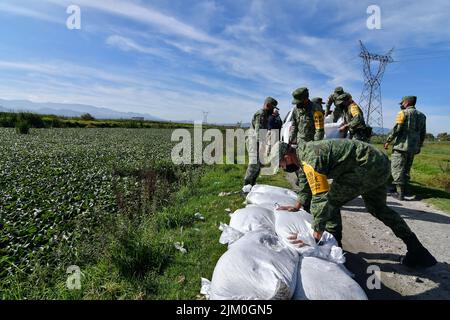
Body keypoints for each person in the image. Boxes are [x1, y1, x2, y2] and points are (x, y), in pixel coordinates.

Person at [270, 139, 437, 268]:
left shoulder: (310, 158)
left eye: (282, 164)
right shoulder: (303, 154)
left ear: (287, 157)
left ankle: (334, 247)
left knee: (331, 200)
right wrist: (298, 205)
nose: (283, 168)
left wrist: (317, 233)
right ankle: (418, 251)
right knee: (378, 208)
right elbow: (307, 182)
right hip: (379, 164)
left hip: (366, 167)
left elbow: (321, 197)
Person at [288, 88, 325, 211]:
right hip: (300, 146)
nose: (297, 103)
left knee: (312, 173)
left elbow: (319, 130)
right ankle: (304, 201)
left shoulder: (316, 109)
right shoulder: (296, 110)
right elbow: (294, 125)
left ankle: (313, 200)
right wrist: (291, 141)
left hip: (312, 146)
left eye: (299, 101)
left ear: (306, 98)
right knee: (302, 173)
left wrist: (315, 147)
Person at [384, 96, 426, 200]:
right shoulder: (422, 116)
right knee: (406, 169)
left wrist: (388, 141)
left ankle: (399, 193)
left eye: (402, 103)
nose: (401, 105)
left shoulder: (403, 113)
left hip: (401, 147)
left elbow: (397, 129)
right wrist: (419, 145)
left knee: (397, 169)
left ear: (406, 103)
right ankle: (405, 190)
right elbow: (423, 133)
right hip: (413, 148)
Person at [242, 96, 278, 190]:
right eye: (272, 108)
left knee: (258, 165)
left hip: (259, 141)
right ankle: (246, 185)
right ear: (268, 105)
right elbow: (259, 132)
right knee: (253, 164)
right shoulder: (261, 114)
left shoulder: (266, 115)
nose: (273, 110)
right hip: (254, 141)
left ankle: (252, 185)